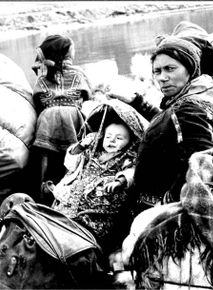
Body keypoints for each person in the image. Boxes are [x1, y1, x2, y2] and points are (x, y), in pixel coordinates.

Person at [108, 35, 213, 211]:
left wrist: (166, 205)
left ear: (190, 69)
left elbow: (200, 165)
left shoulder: (190, 109)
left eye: (170, 69)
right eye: (157, 71)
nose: (162, 78)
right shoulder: (206, 92)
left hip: (163, 209)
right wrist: (137, 102)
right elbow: (172, 125)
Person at [50, 99, 148, 265]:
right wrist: (80, 147)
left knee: (92, 226)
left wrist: (120, 181)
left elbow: (132, 172)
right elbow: (70, 163)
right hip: (74, 198)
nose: (112, 141)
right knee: (59, 213)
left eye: (119, 138)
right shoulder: (92, 151)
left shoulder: (128, 158)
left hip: (100, 208)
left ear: (129, 141)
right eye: (108, 136)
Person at [31, 34, 92, 191]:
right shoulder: (78, 73)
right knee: (73, 150)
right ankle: (69, 183)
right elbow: (87, 96)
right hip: (72, 115)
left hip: (48, 116)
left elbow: (37, 99)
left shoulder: (42, 77)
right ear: (66, 54)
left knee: (45, 153)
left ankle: (42, 183)